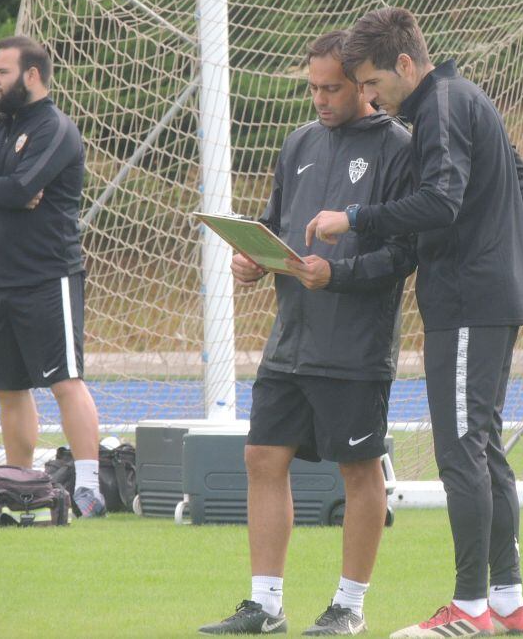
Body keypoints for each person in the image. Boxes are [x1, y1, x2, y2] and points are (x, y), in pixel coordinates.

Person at [306, 8, 523, 638]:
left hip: (469, 304)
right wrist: (486, 234)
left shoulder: (440, 105)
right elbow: (515, 177)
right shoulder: (462, 97)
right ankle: (507, 605)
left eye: (372, 83)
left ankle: (468, 613)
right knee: (484, 448)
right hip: (489, 296)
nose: (369, 96)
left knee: (462, 451)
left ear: (405, 65)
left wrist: (354, 217)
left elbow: (442, 201)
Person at [199, 31, 416, 636]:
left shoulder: (398, 147)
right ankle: (265, 605)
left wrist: (337, 274)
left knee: (359, 468)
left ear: (363, 85)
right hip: (290, 338)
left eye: (332, 88)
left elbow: (405, 254)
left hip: (355, 343)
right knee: (262, 457)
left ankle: (349, 606)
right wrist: (251, 259)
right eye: (313, 87)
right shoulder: (298, 141)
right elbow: (276, 226)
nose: (319, 99)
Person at [0, 35, 107, 519]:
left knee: (65, 380)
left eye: (2, 73)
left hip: (49, 276)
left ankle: (89, 489)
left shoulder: (55, 129)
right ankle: (19, 487)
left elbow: (23, 185)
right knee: (9, 388)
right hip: (2, 281)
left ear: (31, 76)